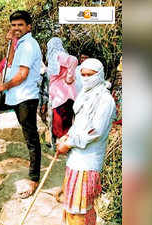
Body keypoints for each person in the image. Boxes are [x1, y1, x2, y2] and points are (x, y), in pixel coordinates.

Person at [0, 10, 43, 198]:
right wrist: (11, 42)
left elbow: (22, 75)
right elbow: (10, 63)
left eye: (20, 25)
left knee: (31, 137)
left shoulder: (29, 45)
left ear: (29, 27)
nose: (16, 28)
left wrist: (5, 85)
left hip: (25, 96)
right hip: (12, 93)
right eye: (13, 25)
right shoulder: (18, 44)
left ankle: (34, 178)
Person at [56, 58, 116, 225]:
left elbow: (95, 132)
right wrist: (67, 136)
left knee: (79, 212)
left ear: (100, 75)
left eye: (90, 75)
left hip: (87, 163)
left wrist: (69, 143)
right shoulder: (84, 94)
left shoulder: (105, 100)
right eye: (83, 74)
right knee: (71, 210)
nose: (86, 78)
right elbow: (80, 124)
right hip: (75, 160)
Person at [46, 37, 78, 140]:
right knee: (64, 122)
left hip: (63, 95)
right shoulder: (54, 58)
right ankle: (63, 144)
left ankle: (62, 145)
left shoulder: (59, 56)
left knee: (60, 123)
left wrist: (69, 78)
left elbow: (73, 60)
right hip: (61, 95)